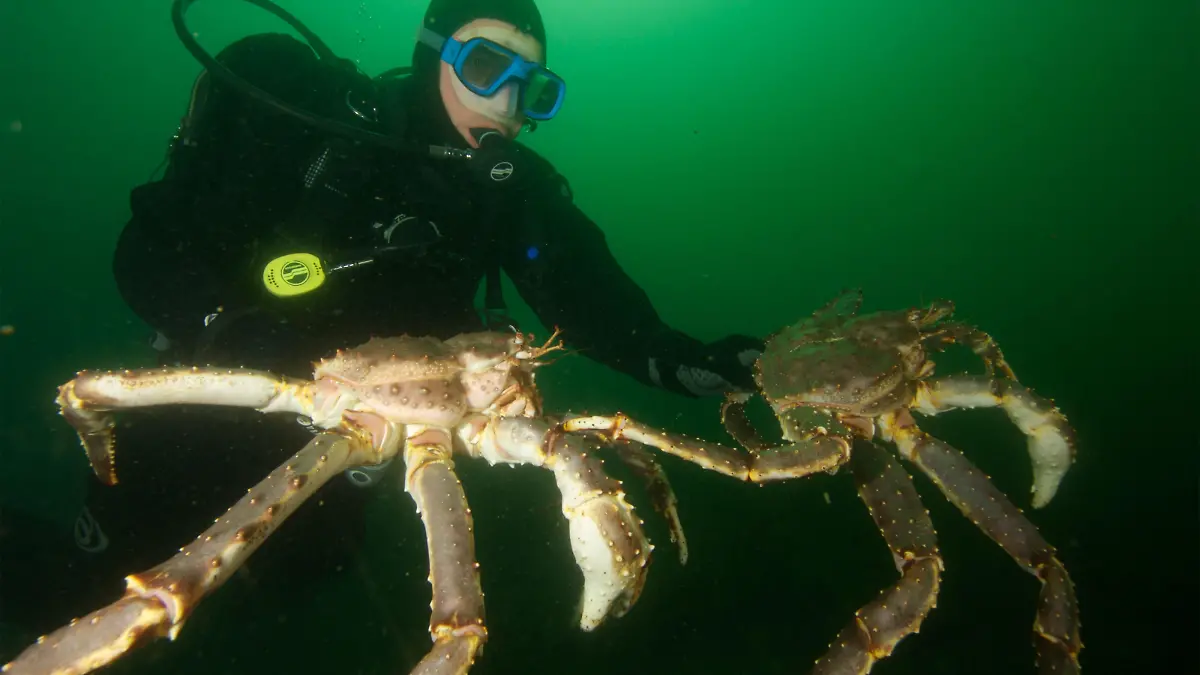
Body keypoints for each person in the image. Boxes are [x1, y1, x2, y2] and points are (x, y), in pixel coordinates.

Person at [0, 0, 762, 663]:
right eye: (488, 65)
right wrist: (226, 325)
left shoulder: (511, 196)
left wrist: (694, 362)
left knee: (272, 598)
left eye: (533, 86)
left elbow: (600, 312)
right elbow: (147, 251)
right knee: (86, 587)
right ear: (431, 53)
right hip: (210, 424)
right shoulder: (315, 127)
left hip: (363, 466)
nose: (508, 102)